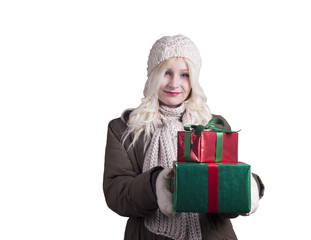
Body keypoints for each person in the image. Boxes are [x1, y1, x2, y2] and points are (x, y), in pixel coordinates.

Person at [103, 35, 265, 240]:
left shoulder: (214, 125)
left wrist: (244, 188)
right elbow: (117, 194)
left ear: (194, 80)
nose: (174, 83)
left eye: (185, 75)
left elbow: (225, 205)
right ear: (153, 75)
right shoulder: (123, 129)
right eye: (166, 73)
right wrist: (157, 184)